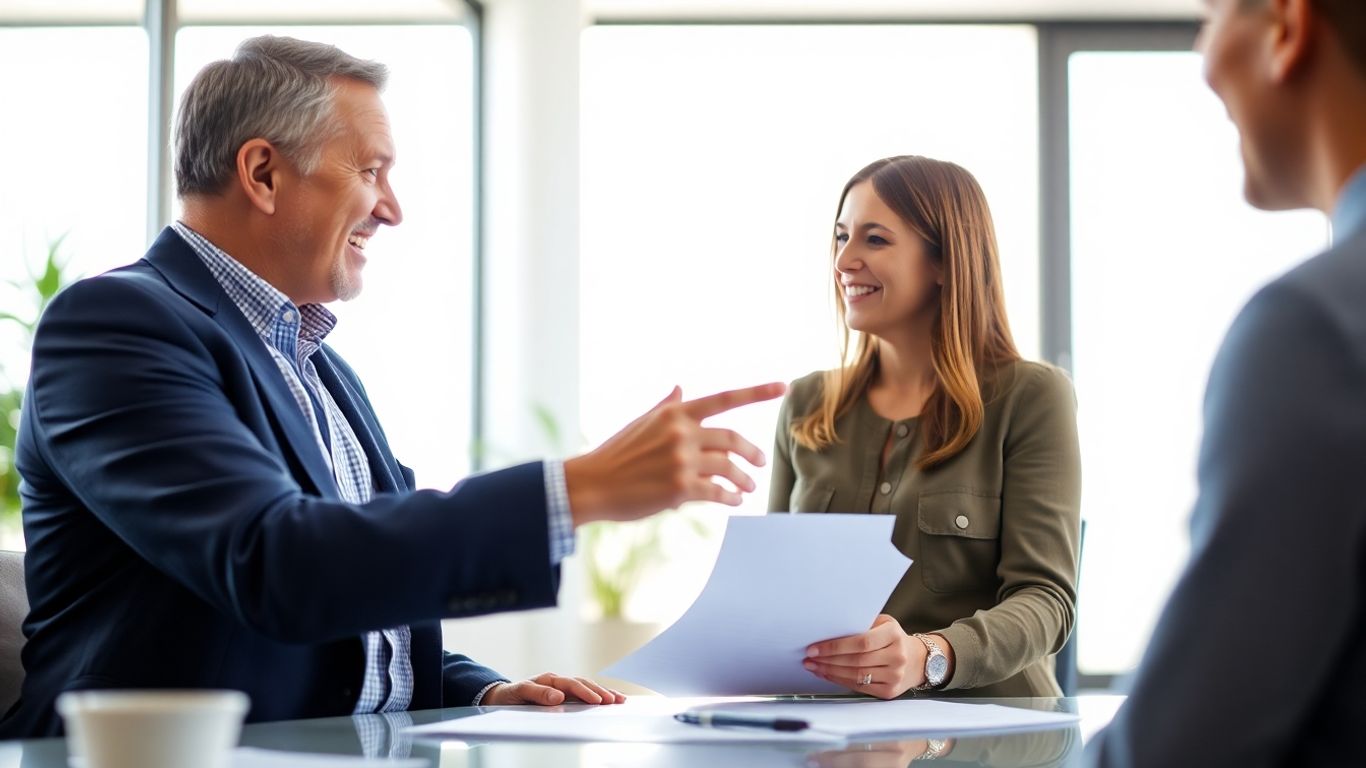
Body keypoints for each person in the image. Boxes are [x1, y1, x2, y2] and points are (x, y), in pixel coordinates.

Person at [0, 35, 784, 739]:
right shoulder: (115, 326)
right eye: (371, 170)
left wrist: (481, 690)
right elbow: (274, 564)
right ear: (263, 172)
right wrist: (574, 490)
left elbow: (353, 606)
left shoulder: (322, 368)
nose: (393, 209)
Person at [1086, 0, 1366, 764]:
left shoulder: (1314, 328)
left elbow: (1175, 751)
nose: (1202, 55)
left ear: (1287, 28)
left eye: (1209, 15)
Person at [768, 155, 1082, 699]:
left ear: (943, 261)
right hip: (829, 727)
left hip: (995, 731)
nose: (843, 260)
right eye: (841, 236)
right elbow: (771, 590)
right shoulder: (805, 404)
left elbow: (1046, 601)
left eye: (875, 239)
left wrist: (929, 656)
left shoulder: (1031, 397)